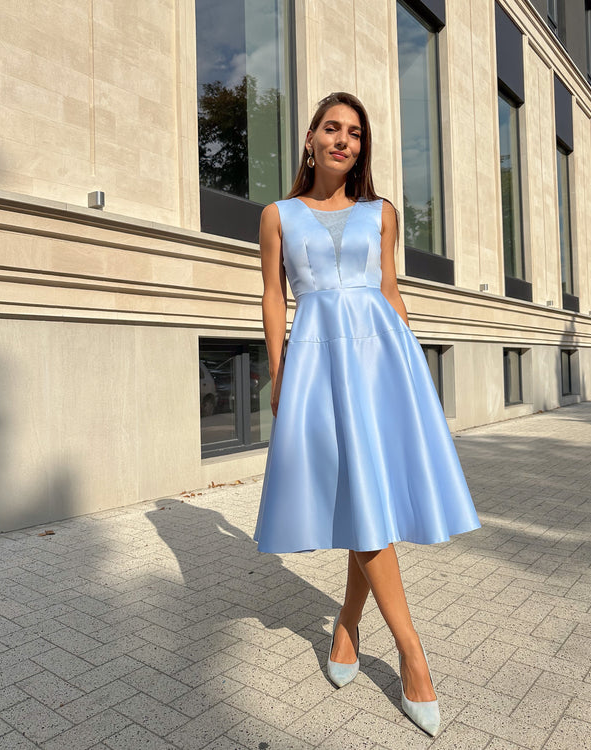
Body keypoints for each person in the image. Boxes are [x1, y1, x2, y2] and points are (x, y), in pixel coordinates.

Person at [253, 92, 481, 737]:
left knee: (366, 496)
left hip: (383, 362)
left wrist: (416, 376)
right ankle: (410, 651)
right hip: (318, 366)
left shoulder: (382, 213)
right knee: (358, 493)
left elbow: (388, 289)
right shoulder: (278, 216)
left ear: (362, 147)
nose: (343, 141)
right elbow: (273, 295)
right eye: (332, 128)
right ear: (310, 138)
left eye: (354, 133)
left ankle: (356, 630)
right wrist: (279, 373)